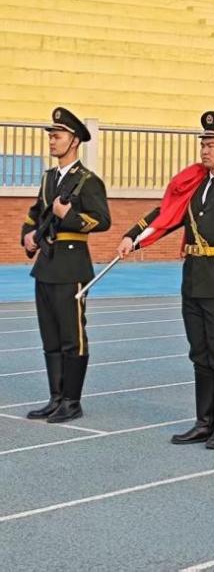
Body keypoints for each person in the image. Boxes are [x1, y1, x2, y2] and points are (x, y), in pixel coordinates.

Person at [120, 112, 214, 449]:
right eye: (203, 144)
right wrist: (133, 235)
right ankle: (204, 422)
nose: (205, 149)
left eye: (212, 144)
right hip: (195, 278)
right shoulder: (195, 184)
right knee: (199, 353)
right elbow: (166, 214)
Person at [21, 107, 110, 423]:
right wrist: (27, 235)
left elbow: (102, 220)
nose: (51, 140)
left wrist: (67, 216)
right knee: (50, 338)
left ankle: (72, 401)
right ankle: (56, 398)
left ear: (74, 141)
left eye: (57, 136)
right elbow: (35, 213)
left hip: (72, 267)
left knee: (72, 338)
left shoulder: (87, 181)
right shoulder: (49, 178)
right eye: (51, 135)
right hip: (46, 264)